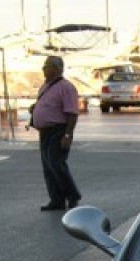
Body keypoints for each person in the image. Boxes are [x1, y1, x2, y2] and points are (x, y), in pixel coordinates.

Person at [31, 55, 81, 211]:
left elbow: (72, 113)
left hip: (58, 131)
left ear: (57, 69)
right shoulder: (46, 86)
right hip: (45, 132)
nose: (44, 69)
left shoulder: (66, 87)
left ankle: (72, 195)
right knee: (47, 166)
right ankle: (56, 199)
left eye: (47, 66)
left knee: (56, 163)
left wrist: (67, 135)